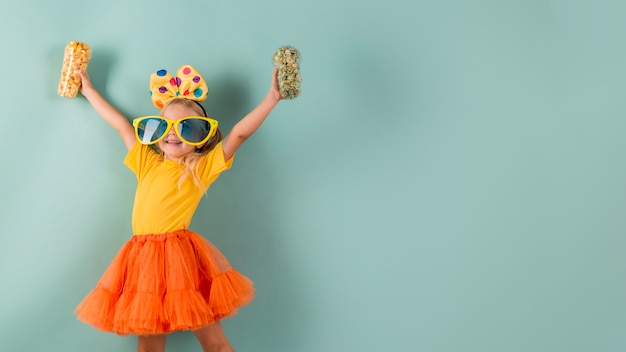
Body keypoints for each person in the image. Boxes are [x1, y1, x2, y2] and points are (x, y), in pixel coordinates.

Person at [74, 64, 282, 352]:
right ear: (156, 132)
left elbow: (238, 135)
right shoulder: (147, 162)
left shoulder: (200, 167)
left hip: (180, 260)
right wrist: (90, 90)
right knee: (148, 345)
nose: (174, 135)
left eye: (188, 128)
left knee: (214, 342)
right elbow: (121, 125)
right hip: (142, 260)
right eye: (165, 126)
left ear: (201, 138)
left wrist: (271, 99)